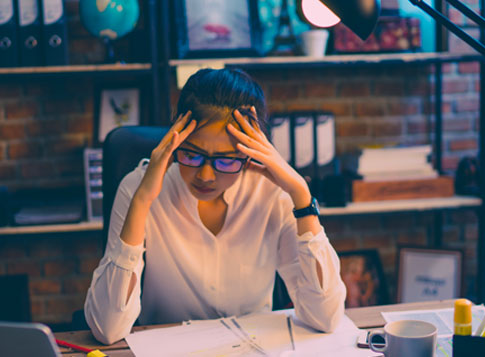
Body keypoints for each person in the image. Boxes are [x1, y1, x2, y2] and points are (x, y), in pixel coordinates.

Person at [84, 68, 347, 344]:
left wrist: (301, 196)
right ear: (176, 138)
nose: (206, 176)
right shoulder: (138, 188)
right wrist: (142, 200)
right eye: (192, 154)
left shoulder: (272, 193)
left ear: (250, 152)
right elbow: (108, 329)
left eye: (226, 160)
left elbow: (325, 317)